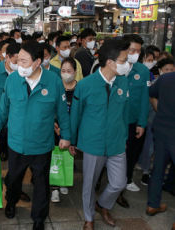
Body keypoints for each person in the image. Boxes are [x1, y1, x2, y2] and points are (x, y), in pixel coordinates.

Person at [0, 41, 71, 230]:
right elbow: (3, 108)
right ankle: (11, 202)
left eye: (24, 61)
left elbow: (62, 111)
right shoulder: (12, 80)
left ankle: (39, 218)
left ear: (37, 62)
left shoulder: (53, 81)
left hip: (42, 144)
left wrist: (66, 136)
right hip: (16, 143)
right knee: (13, 179)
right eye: (18, 60)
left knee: (41, 183)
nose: (20, 65)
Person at [70, 39, 131, 230]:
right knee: (89, 185)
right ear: (111, 62)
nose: (128, 63)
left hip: (116, 143)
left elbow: (125, 114)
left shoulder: (123, 82)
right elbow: (75, 115)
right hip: (92, 143)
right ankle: (89, 217)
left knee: (119, 183)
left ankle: (103, 205)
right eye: (124, 60)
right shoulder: (86, 85)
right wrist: (72, 139)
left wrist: (124, 137)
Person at [113, 35, 150, 209]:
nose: (135, 54)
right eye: (132, 50)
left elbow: (144, 99)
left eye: (138, 51)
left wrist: (142, 123)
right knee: (110, 155)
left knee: (129, 155)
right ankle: (99, 181)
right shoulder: (113, 67)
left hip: (133, 122)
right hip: (114, 122)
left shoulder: (142, 71)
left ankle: (124, 184)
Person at [146, 71, 175, 217]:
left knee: (158, 168)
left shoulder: (165, 78)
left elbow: (151, 93)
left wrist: (160, 110)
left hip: (162, 129)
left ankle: (152, 204)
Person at [51, 57, 77, 203]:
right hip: (55, 129)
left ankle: (64, 181)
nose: (66, 74)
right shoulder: (56, 86)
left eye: (69, 71)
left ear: (75, 72)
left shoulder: (79, 88)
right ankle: (54, 187)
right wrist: (55, 124)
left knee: (68, 156)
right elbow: (50, 107)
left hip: (71, 129)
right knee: (55, 157)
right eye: (63, 71)